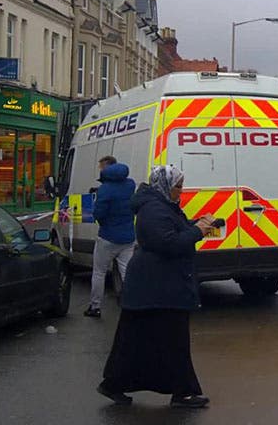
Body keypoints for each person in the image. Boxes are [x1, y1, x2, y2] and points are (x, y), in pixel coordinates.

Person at [98, 165, 214, 408]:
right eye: (178, 187)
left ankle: (115, 384)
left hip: (156, 287)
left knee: (139, 340)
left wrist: (199, 225)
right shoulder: (154, 209)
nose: (181, 192)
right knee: (171, 340)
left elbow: (173, 231)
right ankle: (182, 392)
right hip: (157, 287)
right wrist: (197, 231)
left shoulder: (160, 207)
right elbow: (168, 242)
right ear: (164, 186)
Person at [84, 157, 137, 318]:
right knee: (127, 272)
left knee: (99, 272)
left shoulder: (105, 190)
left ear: (106, 170)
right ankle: (134, 304)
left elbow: (99, 214)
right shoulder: (130, 185)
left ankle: (95, 307)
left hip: (108, 237)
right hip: (128, 236)